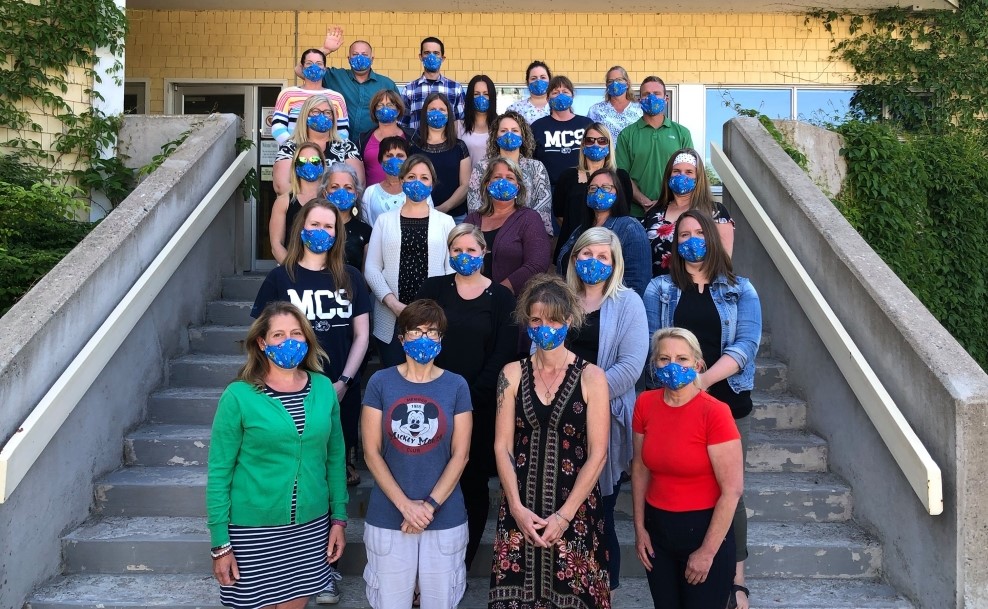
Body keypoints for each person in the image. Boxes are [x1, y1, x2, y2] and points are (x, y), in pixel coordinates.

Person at [643, 210, 761, 609]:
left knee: (730, 491)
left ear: (713, 238)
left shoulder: (741, 289)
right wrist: (682, 386)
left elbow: (745, 346)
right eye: (684, 234)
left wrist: (702, 383)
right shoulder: (660, 289)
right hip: (674, 402)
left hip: (724, 399)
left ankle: (735, 580)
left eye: (699, 232)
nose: (692, 239)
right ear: (674, 244)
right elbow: (652, 345)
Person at [208, 301, 347, 609]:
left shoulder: (323, 388)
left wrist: (339, 519)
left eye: (297, 334)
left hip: (309, 528)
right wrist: (220, 544)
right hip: (252, 532)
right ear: (262, 342)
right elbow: (219, 472)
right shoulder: (239, 395)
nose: (289, 342)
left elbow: (335, 458)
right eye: (278, 335)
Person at [489, 273, 610, 609]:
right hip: (520, 505)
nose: (545, 327)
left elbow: (598, 454)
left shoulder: (592, 377)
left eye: (553, 319)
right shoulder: (511, 373)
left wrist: (564, 516)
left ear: (568, 320)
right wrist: (515, 506)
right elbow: (502, 446)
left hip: (575, 508)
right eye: (536, 319)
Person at [415, 224, 518, 571]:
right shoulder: (433, 289)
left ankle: (461, 563)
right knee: (428, 478)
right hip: (431, 404)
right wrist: (440, 397)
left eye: (471, 250)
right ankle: (425, 563)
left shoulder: (502, 299)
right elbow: (420, 339)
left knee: (472, 484)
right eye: (456, 250)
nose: (464, 256)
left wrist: (466, 400)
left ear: (484, 252)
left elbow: (503, 355)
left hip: (481, 406)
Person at [253, 198, 371, 490]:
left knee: (336, 465)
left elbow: (362, 335)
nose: (321, 231)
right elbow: (261, 334)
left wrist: (344, 381)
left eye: (328, 226)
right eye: (314, 224)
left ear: (337, 233)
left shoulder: (352, 277)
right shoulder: (281, 277)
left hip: (340, 386)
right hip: (291, 386)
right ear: (301, 229)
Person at [361, 299, 472, 609]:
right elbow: (371, 452)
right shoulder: (380, 382)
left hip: (445, 518)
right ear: (401, 338)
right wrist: (406, 507)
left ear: (441, 339)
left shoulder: (456, 386)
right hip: (389, 517)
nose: (424, 339)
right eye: (416, 331)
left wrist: (429, 507)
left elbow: (460, 455)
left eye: (432, 332)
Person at [631, 327, 743, 609]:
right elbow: (640, 468)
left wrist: (707, 551)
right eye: (663, 359)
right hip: (659, 533)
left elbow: (732, 491)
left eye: (682, 359)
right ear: (654, 364)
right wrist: (639, 528)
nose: (673, 366)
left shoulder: (715, 412)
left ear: (698, 364)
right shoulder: (645, 404)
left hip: (706, 530)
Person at [562, 227, 648, 594]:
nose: (593, 262)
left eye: (602, 257)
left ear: (614, 264)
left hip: (602, 419)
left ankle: (604, 591)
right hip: (556, 420)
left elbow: (630, 367)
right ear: (574, 257)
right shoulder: (558, 299)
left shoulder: (628, 303)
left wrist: (583, 399)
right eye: (586, 254)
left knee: (601, 512)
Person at [364, 155, 455, 367]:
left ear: (432, 183)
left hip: (433, 318)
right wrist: (393, 304)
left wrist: (432, 311)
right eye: (412, 176)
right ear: (402, 180)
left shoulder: (446, 222)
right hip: (391, 317)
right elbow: (372, 268)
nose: (417, 182)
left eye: (424, 177)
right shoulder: (384, 221)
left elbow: (451, 270)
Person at [556, 168, 651, 297]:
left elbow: (637, 282)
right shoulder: (580, 230)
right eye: (593, 188)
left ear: (618, 193)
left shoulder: (630, 227)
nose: (599, 192)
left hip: (613, 309)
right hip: (576, 306)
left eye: (606, 188)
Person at [464, 157, 551, 295]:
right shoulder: (472, 219)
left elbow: (537, 264)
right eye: (497, 177)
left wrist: (497, 292)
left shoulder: (529, 218)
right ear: (487, 183)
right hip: (472, 300)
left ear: (518, 186)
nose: (503, 182)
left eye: (510, 178)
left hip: (513, 303)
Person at [643, 148, 734, 276]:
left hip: (701, 290)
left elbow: (724, 260)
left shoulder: (716, 212)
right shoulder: (653, 213)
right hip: (659, 291)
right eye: (676, 171)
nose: (682, 176)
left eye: (689, 172)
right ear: (669, 175)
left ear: (698, 177)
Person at [552, 123, 634, 261]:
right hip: (574, 248)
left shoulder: (621, 177)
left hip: (610, 249)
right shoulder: (567, 176)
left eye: (602, 141)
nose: (596, 144)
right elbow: (560, 215)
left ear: (609, 146)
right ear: (583, 145)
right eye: (590, 140)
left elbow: (623, 212)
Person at [615, 76, 694, 219]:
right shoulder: (626, 135)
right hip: (636, 214)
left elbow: (690, 172)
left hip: (675, 213)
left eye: (657, 93)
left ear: (666, 99)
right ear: (640, 101)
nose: (651, 97)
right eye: (646, 94)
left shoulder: (682, 133)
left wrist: (664, 202)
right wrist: (644, 201)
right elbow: (622, 176)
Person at [466, 111, 553, 235]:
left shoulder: (536, 167)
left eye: (515, 130)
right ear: (495, 136)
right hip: (487, 234)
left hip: (526, 235)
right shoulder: (482, 167)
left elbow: (543, 211)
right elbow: (474, 205)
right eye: (503, 130)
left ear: (523, 136)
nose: (509, 134)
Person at [315, 27, 400, 140]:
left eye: (364, 54)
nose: (360, 58)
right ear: (349, 58)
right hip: (339, 144)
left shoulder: (386, 84)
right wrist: (325, 50)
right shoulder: (335, 76)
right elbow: (300, 70)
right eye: (355, 54)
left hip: (376, 145)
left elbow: (399, 115)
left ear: (372, 58)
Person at [273, 94, 364, 196]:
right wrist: (312, 205)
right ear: (305, 115)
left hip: (336, 209)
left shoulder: (347, 147)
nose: (322, 116)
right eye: (315, 112)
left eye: (327, 113)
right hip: (300, 208)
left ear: (333, 117)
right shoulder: (290, 147)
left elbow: (359, 184)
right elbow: (281, 186)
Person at [409, 93, 471, 221]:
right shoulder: (413, 147)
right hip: (420, 216)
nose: (437, 113)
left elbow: (465, 185)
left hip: (455, 217)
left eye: (442, 109)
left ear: (449, 114)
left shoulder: (460, 147)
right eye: (432, 109)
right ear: (425, 114)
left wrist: (443, 208)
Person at [272, 48, 350, 144]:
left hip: (328, 156)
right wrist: (295, 149)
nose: (314, 67)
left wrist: (329, 151)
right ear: (303, 68)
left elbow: (343, 131)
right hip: (294, 155)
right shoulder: (287, 94)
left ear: (325, 69)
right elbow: (277, 127)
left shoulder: (337, 98)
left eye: (319, 63)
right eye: (309, 63)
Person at [531, 76, 593, 190]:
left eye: (565, 92)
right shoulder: (537, 127)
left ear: (572, 96)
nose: (561, 95)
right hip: (548, 189)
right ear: (548, 98)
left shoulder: (586, 124)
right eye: (555, 92)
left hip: (581, 188)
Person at [270, 141, 326, 264]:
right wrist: (294, 271)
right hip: (292, 273)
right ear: (295, 166)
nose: (308, 164)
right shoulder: (283, 201)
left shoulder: (330, 200)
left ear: (322, 164)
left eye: (314, 160)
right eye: (302, 161)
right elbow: (276, 245)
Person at [362, 137, 434, 228]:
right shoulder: (370, 192)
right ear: (381, 161)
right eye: (389, 156)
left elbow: (430, 221)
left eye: (400, 155)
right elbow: (364, 224)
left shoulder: (419, 189)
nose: (394, 160)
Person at [401, 37, 466, 132]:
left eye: (436, 53)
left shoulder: (456, 88)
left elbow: (461, 123)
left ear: (443, 58)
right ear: (420, 57)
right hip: (416, 145)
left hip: (448, 145)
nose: (431, 57)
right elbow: (402, 123)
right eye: (427, 53)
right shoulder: (409, 89)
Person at [322, 162, 372, 271]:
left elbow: (366, 275)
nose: (341, 192)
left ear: (356, 194)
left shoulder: (366, 231)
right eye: (335, 187)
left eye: (348, 187)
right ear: (325, 193)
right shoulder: (314, 227)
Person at [358, 90, 414, 187]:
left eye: (390, 105)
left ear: (399, 110)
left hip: (405, 197)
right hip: (372, 198)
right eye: (380, 105)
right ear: (374, 111)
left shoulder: (411, 137)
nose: (385, 109)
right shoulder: (362, 139)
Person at [587, 66, 643, 143]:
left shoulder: (640, 109)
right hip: (606, 154)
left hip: (634, 154)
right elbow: (589, 137)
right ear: (607, 85)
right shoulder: (595, 110)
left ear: (627, 83)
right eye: (610, 81)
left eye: (619, 79)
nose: (615, 83)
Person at [459, 75, 497, 170]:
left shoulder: (500, 125)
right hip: (466, 183)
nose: (481, 98)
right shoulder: (458, 126)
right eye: (476, 94)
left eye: (486, 94)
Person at [506, 60, 552, 125]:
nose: (538, 81)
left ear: (550, 80)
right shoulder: (515, 109)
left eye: (543, 77)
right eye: (534, 78)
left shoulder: (558, 107)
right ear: (527, 82)